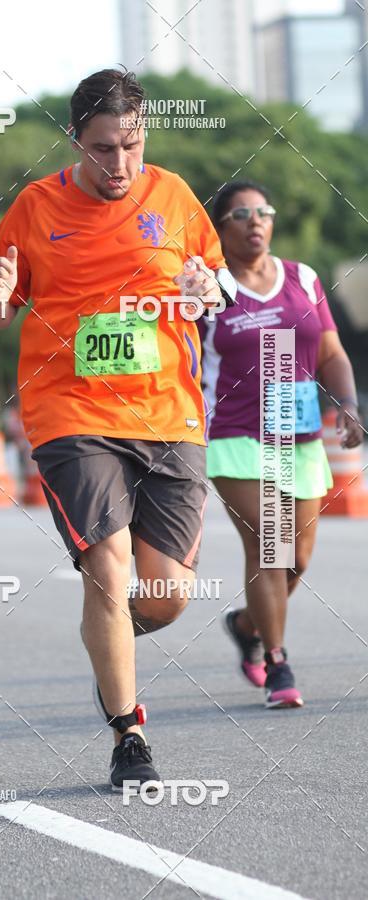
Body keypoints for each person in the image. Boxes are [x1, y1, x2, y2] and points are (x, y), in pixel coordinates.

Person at [0, 69, 235, 789]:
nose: (118, 164)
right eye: (101, 149)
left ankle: (108, 650)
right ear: (75, 142)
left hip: (169, 415)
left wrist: (208, 289)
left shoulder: (176, 197)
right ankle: (129, 735)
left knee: (163, 597)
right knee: (108, 569)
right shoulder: (35, 206)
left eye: (130, 145)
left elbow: (215, 284)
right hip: (73, 412)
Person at [199, 180, 363, 708]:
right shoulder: (207, 290)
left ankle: (247, 624)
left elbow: (332, 353)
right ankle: (277, 662)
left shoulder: (304, 278)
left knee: (298, 558)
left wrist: (350, 406)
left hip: (300, 436)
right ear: (220, 227)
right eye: (241, 213)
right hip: (236, 436)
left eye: (263, 211)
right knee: (269, 546)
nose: (255, 221)